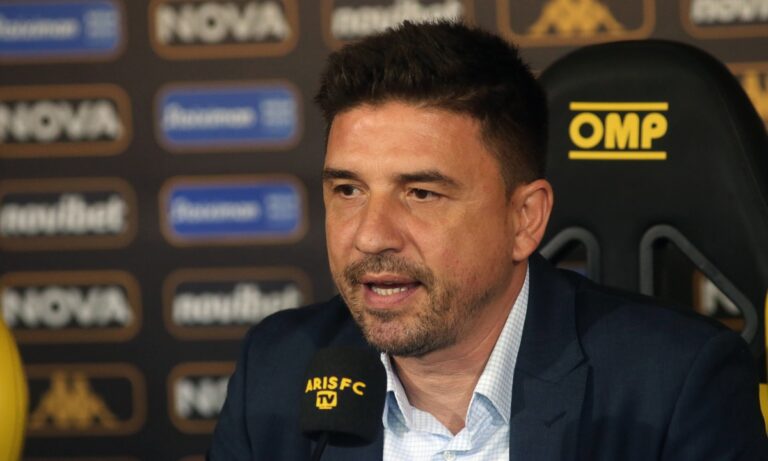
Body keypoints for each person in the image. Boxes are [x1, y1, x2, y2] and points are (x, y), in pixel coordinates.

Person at [209, 21, 767, 460]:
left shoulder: (677, 386)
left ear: (525, 219)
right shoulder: (279, 370)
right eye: (349, 190)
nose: (370, 235)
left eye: (421, 193)